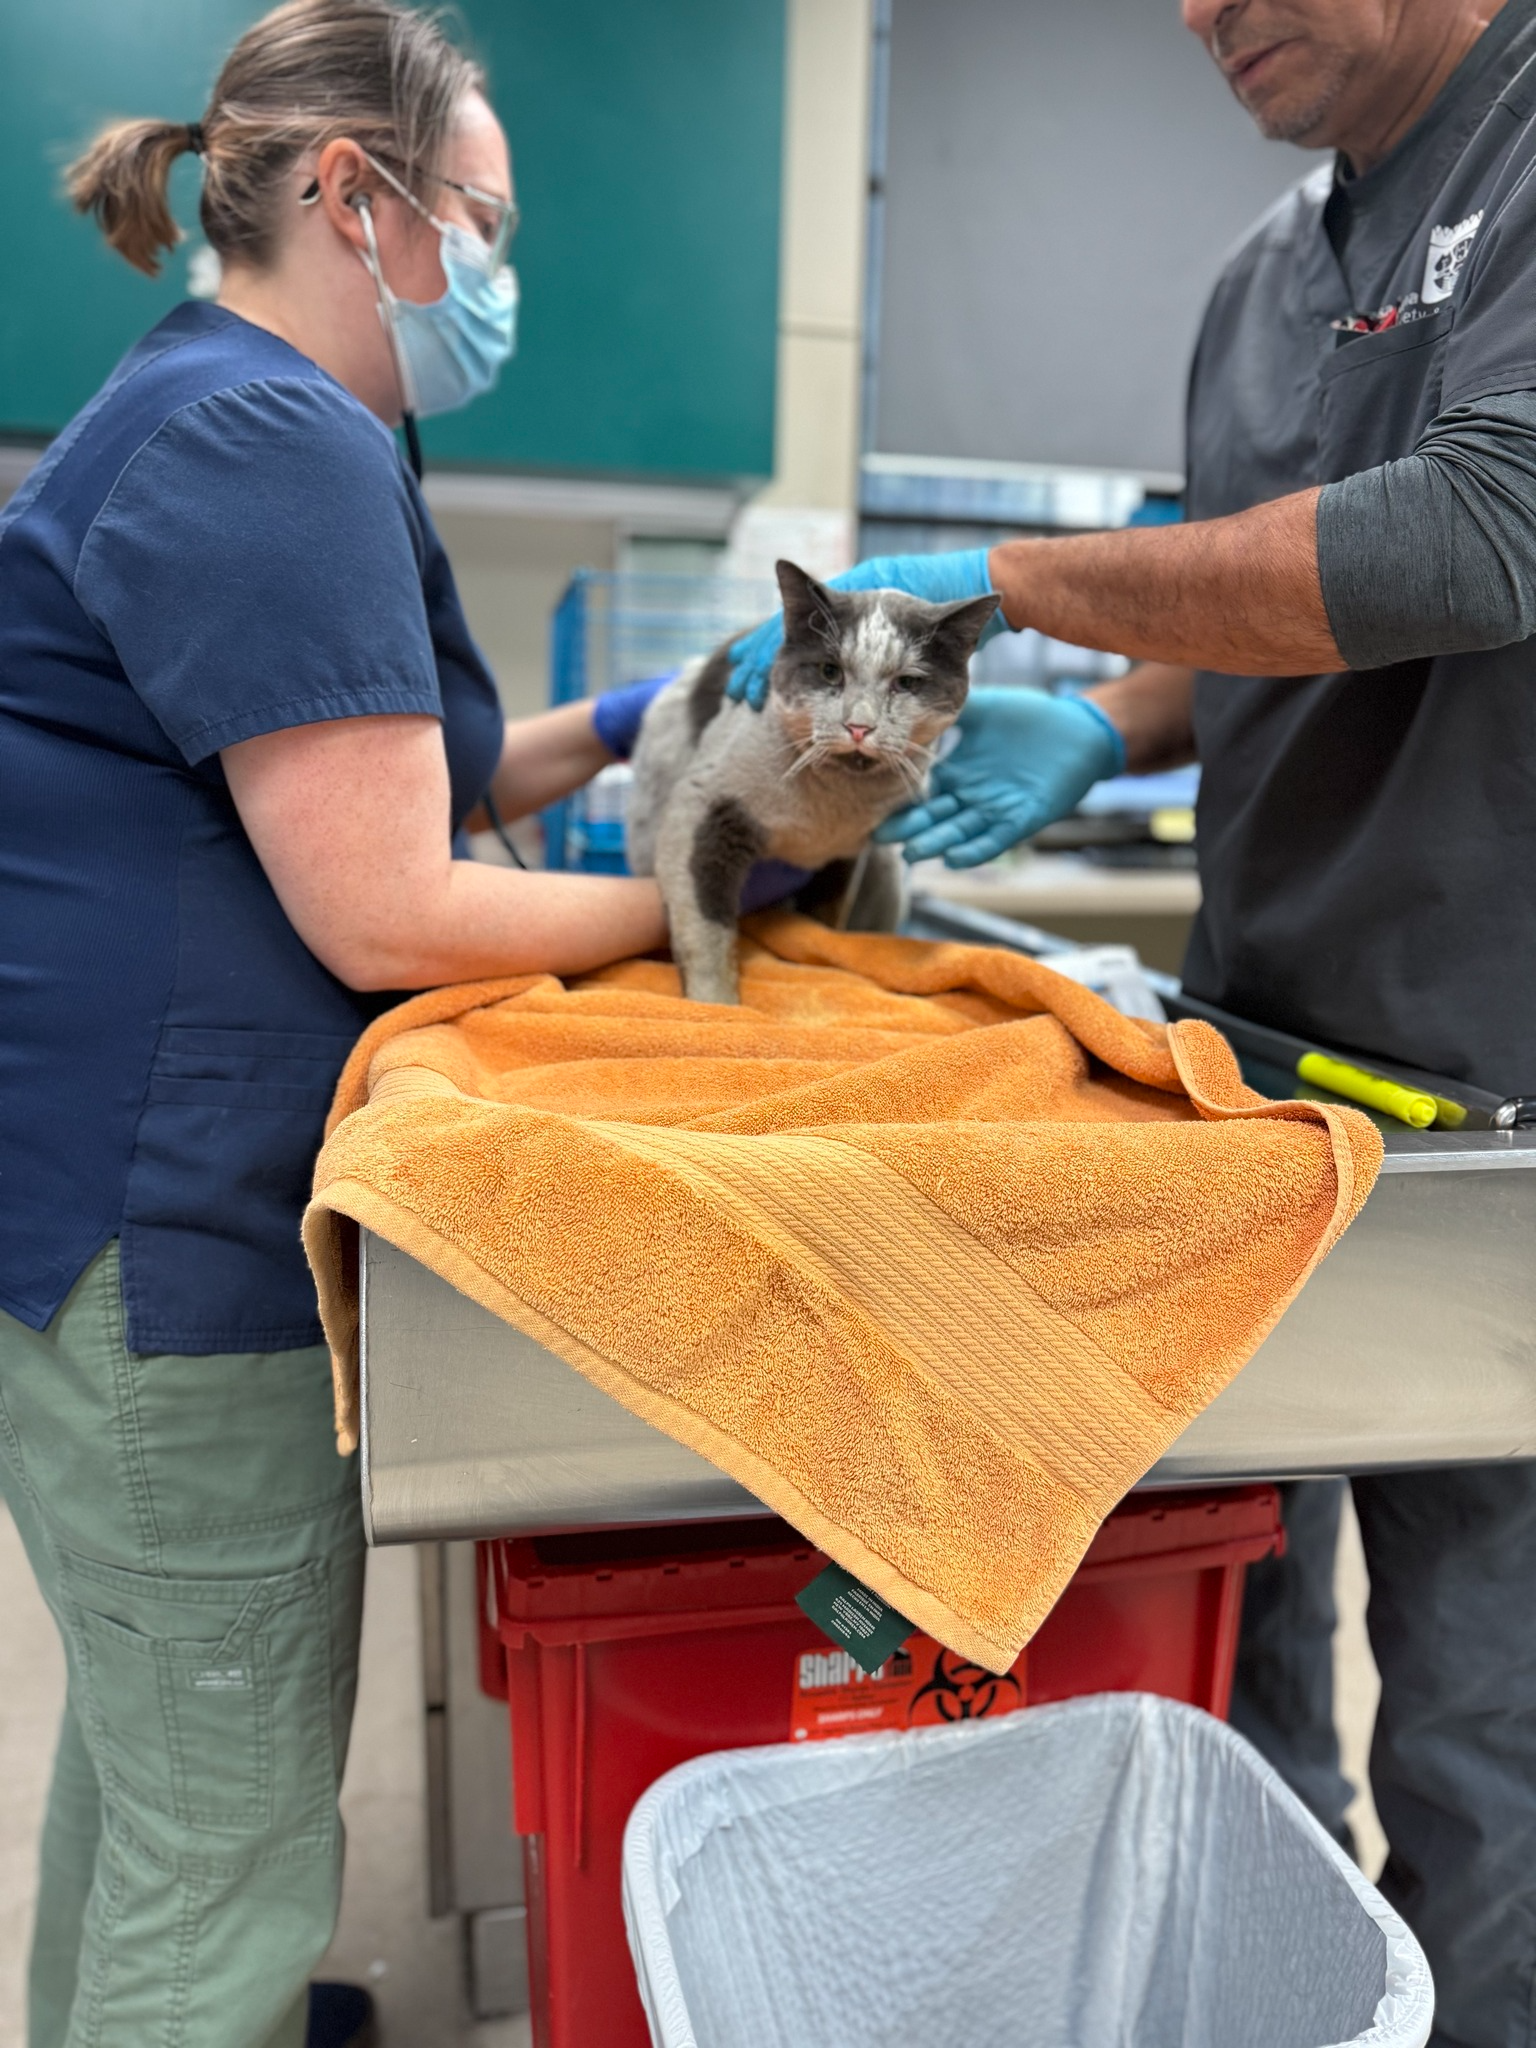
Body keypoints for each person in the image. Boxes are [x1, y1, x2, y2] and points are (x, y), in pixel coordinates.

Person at [733, 2, 1536, 2042]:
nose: (1208, 9)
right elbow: (1248, 602)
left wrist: (1003, 584)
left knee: (1480, 1718)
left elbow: (1470, 534)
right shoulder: (1258, 284)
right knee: (1231, 1663)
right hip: (1258, 1058)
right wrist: (1093, 721)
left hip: (1491, 1065)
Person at [0, 2, 791, 2040]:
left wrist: (634, 725)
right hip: (168, 1237)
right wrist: (730, 894)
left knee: (154, 1775)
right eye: (486, 220)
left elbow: (396, 775)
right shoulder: (267, 443)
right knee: (230, 1849)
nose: (498, 275)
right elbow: (384, 906)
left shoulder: (233, 415)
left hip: (103, 1208)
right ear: (355, 199)